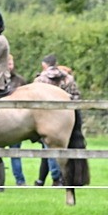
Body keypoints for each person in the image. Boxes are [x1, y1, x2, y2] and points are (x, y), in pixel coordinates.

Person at [33, 55, 78, 186]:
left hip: (45, 118)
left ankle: (57, 178)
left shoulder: (40, 80)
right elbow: (76, 97)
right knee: (64, 148)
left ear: (44, 65)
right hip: (66, 118)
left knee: (49, 148)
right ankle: (65, 177)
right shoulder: (68, 79)